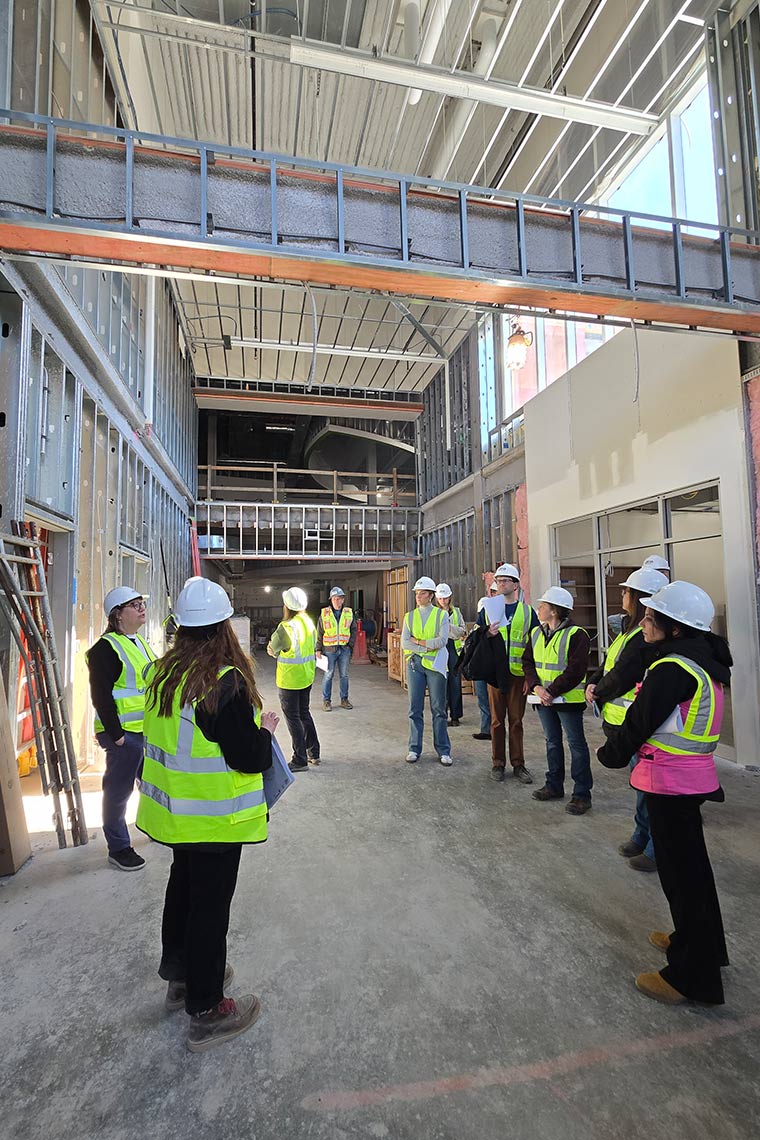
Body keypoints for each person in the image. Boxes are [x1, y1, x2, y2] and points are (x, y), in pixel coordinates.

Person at [137, 576, 278, 1051]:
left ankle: (183, 977)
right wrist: (266, 731)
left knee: (183, 891)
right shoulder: (222, 684)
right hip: (214, 821)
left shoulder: (162, 673)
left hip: (177, 817)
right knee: (209, 909)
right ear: (224, 628)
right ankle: (206, 1008)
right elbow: (248, 757)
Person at [597, 581, 731, 1006]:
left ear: (675, 628)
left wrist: (610, 753)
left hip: (672, 781)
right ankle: (699, 945)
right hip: (689, 779)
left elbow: (640, 721)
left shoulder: (673, 670)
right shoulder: (699, 660)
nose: (645, 622)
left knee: (683, 878)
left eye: (653, 618)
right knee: (693, 874)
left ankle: (693, 977)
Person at [586, 567, 668, 871]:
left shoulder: (644, 638)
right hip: (622, 719)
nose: (622, 595)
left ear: (639, 597)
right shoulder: (629, 630)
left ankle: (653, 846)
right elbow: (610, 664)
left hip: (640, 722)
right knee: (640, 783)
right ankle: (641, 835)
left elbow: (624, 674)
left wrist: (598, 690)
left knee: (650, 787)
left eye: (626, 591)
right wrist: (594, 682)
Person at [86, 585, 156, 871]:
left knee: (151, 785)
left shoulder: (138, 642)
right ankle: (118, 848)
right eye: (135, 604)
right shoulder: (105, 649)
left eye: (142, 603)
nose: (142, 608)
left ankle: (153, 825)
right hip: (123, 735)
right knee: (118, 791)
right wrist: (116, 735)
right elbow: (100, 694)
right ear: (117, 615)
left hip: (145, 730)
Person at [524, 586, 592, 814]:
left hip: (567, 700)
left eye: (543, 606)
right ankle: (554, 785)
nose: (539, 608)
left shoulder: (577, 635)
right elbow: (528, 662)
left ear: (554, 611)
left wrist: (550, 691)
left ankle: (581, 794)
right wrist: (536, 687)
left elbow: (576, 670)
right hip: (543, 699)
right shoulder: (536, 633)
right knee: (552, 742)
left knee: (576, 745)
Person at [478, 563, 537, 784]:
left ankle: (518, 764)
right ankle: (497, 763)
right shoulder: (489, 609)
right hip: (496, 675)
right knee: (496, 721)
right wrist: (487, 633)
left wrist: (531, 679)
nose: (501, 584)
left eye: (505, 581)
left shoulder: (528, 612)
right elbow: (477, 640)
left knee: (516, 721)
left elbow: (535, 646)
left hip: (518, 676)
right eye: (499, 581)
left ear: (515, 585)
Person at [267, 586, 320, 772]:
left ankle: (299, 760)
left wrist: (273, 650)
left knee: (294, 718)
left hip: (289, 680)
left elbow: (272, 649)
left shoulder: (286, 627)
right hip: (306, 676)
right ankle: (314, 752)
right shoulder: (308, 622)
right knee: (304, 714)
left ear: (287, 606)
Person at [401, 576, 452, 766]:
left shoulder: (441, 615)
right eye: (416, 593)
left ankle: (443, 750)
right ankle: (414, 748)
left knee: (439, 709)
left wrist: (419, 642)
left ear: (431, 595)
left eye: (422, 593)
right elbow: (405, 642)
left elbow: (442, 641)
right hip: (415, 664)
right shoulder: (410, 616)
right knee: (415, 708)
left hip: (436, 666)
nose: (418, 596)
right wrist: (426, 648)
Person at [316, 586, 356, 711]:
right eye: (335, 599)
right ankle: (326, 701)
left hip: (344, 649)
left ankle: (344, 699)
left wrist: (350, 645)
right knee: (328, 675)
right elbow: (320, 632)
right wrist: (318, 649)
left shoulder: (349, 613)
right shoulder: (325, 613)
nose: (337, 601)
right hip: (329, 650)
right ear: (331, 600)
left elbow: (353, 630)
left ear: (343, 600)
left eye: (340, 599)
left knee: (344, 675)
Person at [435, 583, 466, 726]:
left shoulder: (456, 612)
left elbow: (462, 631)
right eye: (440, 598)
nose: (443, 601)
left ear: (450, 597)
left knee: (455, 684)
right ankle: (442, 715)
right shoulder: (433, 613)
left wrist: (447, 627)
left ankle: (455, 716)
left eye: (445, 598)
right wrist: (450, 631)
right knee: (441, 683)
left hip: (454, 651)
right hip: (440, 649)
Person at [472, 582, 498, 741]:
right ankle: (486, 729)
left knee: (497, 700)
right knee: (483, 697)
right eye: (493, 591)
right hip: (483, 660)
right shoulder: (484, 612)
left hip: (500, 664)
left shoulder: (516, 612)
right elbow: (476, 636)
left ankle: (495, 729)